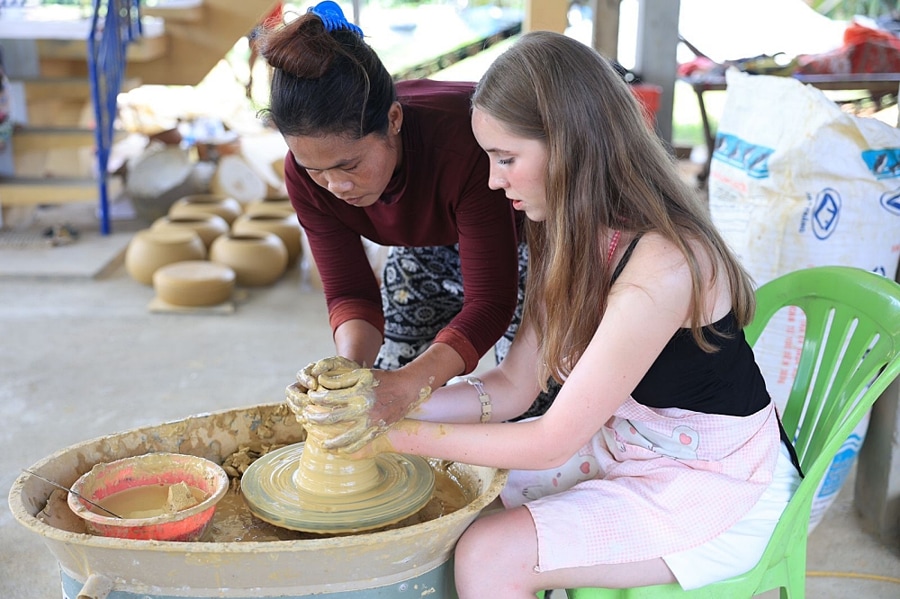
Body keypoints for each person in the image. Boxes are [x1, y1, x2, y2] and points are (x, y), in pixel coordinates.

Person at [298, 31, 802, 598]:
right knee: (458, 500)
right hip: (630, 443)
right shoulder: (566, 233)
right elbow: (513, 386)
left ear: (571, 146)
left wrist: (392, 436)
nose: (492, 179)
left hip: (712, 481)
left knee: (489, 555)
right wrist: (381, 401)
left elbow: (549, 442)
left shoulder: (663, 266)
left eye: (506, 158)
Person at [259, 2, 556, 422]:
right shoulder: (308, 175)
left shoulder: (463, 146)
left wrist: (413, 383)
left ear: (393, 119)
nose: (335, 186)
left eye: (349, 166)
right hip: (427, 244)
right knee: (381, 391)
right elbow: (350, 292)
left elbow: (491, 300)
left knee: (533, 402)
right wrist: (348, 372)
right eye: (316, 170)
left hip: (526, 236)